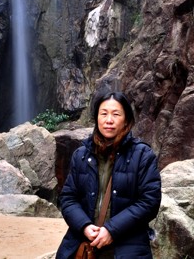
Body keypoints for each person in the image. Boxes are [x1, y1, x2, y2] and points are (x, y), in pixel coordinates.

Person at [56, 90, 162, 259]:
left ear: (126, 119)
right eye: (103, 114)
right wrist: (84, 226)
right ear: (96, 118)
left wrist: (112, 230)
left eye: (116, 114)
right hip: (86, 244)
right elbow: (68, 198)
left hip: (128, 247)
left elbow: (149, 202)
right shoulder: (81, 155)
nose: (109, 120)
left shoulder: (142, 155)